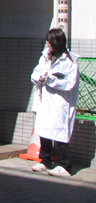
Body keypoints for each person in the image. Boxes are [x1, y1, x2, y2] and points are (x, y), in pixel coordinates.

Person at [30, 28, 79, 177]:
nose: (48, 45)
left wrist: (52, 80)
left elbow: (70, 84)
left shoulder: (70, 62)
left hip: (60, 103)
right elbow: (35, 72)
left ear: (56, 43)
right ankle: (45, 160)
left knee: (60, 134)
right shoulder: (45, 57)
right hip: (45, 101)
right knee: (44, 131)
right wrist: (39, 78)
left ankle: (65, 166)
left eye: (50, 42)